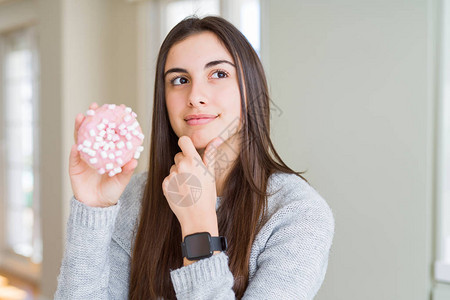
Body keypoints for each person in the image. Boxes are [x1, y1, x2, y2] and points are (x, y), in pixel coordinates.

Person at [55, 16, 335, 300]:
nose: (195, 96)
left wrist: (198, 228)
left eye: (219, 74)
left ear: (250, 88)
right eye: (179, 80)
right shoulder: (135, 199)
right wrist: (93, 209)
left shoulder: (298, 213)